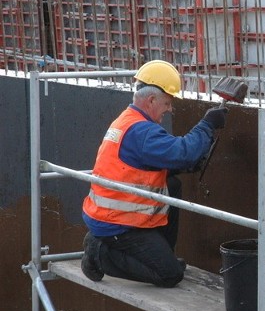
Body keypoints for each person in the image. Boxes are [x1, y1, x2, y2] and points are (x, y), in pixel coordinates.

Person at [80, 60, 227, 288]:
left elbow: (139, 165)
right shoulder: (142, 131)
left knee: (172, 184)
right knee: (169, 275)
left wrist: (177, 165)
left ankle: (161, 256)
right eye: (167, 103)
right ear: (151, 100)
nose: (170, 109)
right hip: (117, 224)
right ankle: (98, 253)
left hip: (108, 215)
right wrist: (207, 125)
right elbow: (184, 152)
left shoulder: (129, 121)